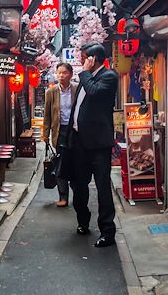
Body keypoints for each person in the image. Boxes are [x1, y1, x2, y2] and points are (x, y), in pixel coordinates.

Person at [63, 43, 119, 248]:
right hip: (79, 143)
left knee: (103, 187)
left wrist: (85, 74)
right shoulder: (86, 80)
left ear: (93, 59)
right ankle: (82, 221)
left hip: (98, 145)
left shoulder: (109, 77)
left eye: (83, 57)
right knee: (78, 185)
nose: (80, 61)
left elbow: (95, 94)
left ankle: (107, 231)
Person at [42, 62, 76, 207]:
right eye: (59, 73)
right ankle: (63, 196)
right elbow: (47, 115)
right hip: (60, 131)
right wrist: (45, 134)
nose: (61, 76)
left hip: (75, 131)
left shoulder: (77, 89)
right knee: (60, 163)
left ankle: (78, 193)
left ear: (71, 74)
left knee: (75, 163)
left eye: (64, 73)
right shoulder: (51, 92)